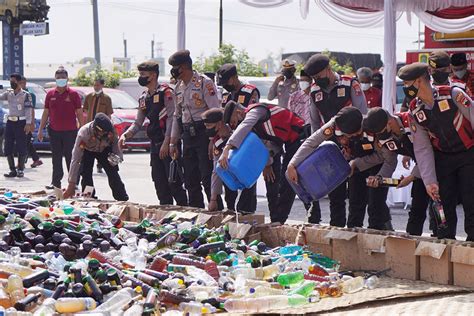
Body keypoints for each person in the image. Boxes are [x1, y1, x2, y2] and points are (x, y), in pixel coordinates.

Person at [399, 62, 474, 240]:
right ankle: (445, 244)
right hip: (443, 159)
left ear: (418, 81)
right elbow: (422, 148)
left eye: (407, 84)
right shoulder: (415, 111)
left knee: (471, 202)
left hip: (468, 154)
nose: (405, 89)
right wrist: (429, 180)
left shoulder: (453, 94)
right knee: (443, 205)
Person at [303, 53, 367, 227]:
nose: (317, 80)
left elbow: (362, 114)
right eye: (314, 78)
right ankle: (336, 228)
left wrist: (350, 138)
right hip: (330, 146)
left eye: (319, 76)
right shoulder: (315, 91)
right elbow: (315, 123)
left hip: (354, 140)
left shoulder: (350, 84)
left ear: (328, 69)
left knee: (356, 192)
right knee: (335, 193)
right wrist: (317, 147)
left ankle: (355, 228)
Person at [221, 101, 305, 224]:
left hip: (300, 137)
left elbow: (245, 125)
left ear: (239, 113)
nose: (235, 126)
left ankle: (282, 220)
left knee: (290, 180)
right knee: (281, 183)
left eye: (234, 122)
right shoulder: (256, 128)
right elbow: (271, 143)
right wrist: (267, 163)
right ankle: (276, 220)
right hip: (288, 142)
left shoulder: (256, 111)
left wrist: (227, 148)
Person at [119, 61, 187, 206]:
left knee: (174, 183)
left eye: (144, 74)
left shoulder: (166, 92)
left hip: (169, 145)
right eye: (140, 74)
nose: (141, 77)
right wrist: (126, 135)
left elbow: (172, 118)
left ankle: (186, 214)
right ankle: (166, 216)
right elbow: (138, 123)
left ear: (153, 75)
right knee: (160, 184)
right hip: (155, 146)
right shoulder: (144, 97)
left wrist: (167, 143)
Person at [356, 107, 431, 236]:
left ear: (389, 122)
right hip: (420, 167)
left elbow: (428, 153)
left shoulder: (412, 122)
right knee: (416, 208)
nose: (379, 136)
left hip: (438, 163)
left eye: (380, 132)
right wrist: (379, 178)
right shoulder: (384, 135)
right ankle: (410, 245)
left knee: (439, 208)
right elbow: (390, 161)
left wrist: (411, 177)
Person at [287, 107, 363, 227]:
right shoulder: (334, 124)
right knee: (336, 197)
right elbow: (312, 142)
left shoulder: (367, 125)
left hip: (363, 161)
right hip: (341, 161)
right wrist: (292, 164)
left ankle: (357, 230)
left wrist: (357, 162)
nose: (343, 137)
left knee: (357, 199)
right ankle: (337, 229)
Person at [168, 50, 223, 209]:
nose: (173, 70)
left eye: (175, 67)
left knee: (207, 176)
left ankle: (216, 211)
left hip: (204, 132)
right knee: (190, 178)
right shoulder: (178, 87)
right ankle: (196, 211)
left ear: (184, 67)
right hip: (187, 133)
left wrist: (214, 140)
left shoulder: (204, 83)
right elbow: (176, 116)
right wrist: (173, 142)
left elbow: (216, 113)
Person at [202, 108, 257, 213]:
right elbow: (216, 171)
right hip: (233, 176)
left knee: (247, 203)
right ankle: (231, 208)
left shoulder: (238, 131)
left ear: (219, 124)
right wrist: (213, 199)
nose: (207, 129)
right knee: (225, 174)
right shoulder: (217, 143)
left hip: (248, 171)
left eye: (209, 126)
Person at [64, 113, 128, 201]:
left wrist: (116, 160)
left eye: (105, 132)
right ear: (95, 129)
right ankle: (89, 198)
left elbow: (117, 148)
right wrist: (71, 183)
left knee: (113, 173)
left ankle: (122, 198)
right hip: (87, 150)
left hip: (104, 149)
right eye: (102, 132)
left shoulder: (111, 131)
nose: (103, 134)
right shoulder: (83, 134)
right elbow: (76, 159)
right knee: (86, 174)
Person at [38, 68, 83, 189]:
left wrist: (82, 130)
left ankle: (73, 183)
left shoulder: (74, 94)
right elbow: (46, 113)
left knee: (71, 157)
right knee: (56, 158)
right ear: (55, 79)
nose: (60, 80)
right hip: (54, 131)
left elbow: (79, 113)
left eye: (63, 78)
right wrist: (40, 129)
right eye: (58, 78)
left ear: (67, 79)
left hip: (70, 131)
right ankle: (55, 182)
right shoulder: (50, 94)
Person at [287, 69, 321, 223]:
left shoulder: (317, 95)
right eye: (302, 79)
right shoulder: (295, 97)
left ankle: (315, 210)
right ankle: (311, 209)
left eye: (306, 79)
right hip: (299, 136)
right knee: (298, 175)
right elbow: (290, 116)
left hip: (315, 136)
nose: (303, 82)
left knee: (313, 174)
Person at [1, 73, 33, 178]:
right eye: (10, 81)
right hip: (10, 122)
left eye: (13, 81)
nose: (11, 83)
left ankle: (20, 169)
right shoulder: (8, 93)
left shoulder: (25, 95)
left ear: (19, 82)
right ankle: (12, 170)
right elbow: (1, 97)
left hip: (21, 123)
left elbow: (28, 110)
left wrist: (28, 123)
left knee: (21, 146)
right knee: (7, 147)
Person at [83, 78, 113, 174]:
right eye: (94, 85)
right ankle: (86, 166)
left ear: (102, 85)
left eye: (98, 85)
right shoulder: (88, 97)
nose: (96, 87)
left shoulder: (106, 98)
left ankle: (100, 165)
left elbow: (108, 114)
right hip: (90, 125)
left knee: (100, 146)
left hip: (101, 128)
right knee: (87, 145)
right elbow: (85, 110)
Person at [19, 76, 42, 168]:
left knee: (25, 142)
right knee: (27, 141)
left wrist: (32, 123)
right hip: (19, 121)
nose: (21, 85)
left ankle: (22, 162)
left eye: (23, 83)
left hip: (27, 121)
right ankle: (36, 159)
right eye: (20, 83)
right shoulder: (16, 93)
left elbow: (31, 110)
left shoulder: (30, 94)